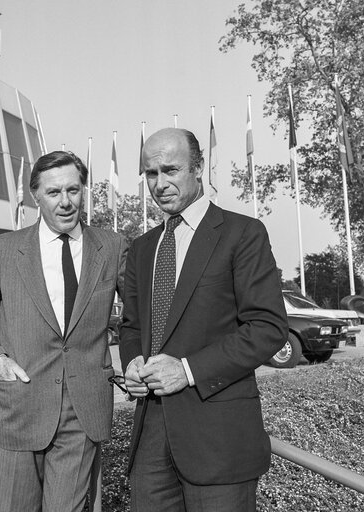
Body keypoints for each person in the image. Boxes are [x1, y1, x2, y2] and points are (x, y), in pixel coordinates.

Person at [119, 128, 288, 512]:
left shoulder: (242, 233)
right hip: (150, 438)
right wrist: (133, 362)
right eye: (150, 173)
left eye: (170, 170)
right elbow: (131, 326)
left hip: (219, 442)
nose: (159, 184)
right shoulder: (143, 247)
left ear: (198, 168)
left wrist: (188, 369)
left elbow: (268, 328)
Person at [0, 151, 127, 512]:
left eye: (73, 190)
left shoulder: (112, 247)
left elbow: (141, 316)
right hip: (20, 407)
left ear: (84, 191)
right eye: (53, 193)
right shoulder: (4, 249)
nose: (65, 202)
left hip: (84, 411)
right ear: (36, 196)